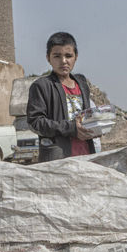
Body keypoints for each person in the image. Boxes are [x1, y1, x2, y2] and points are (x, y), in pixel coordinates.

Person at [27, 32, 96, 162]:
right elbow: (35, 122)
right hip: (58, 160)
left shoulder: (82, 84)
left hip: (86, 156)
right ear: (48, 58)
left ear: (76, 57)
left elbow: (87, 117)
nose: (63, 61)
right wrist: (71, 128)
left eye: (68, 56)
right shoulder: (41, 86)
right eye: (57, 56)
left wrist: (97, 126)